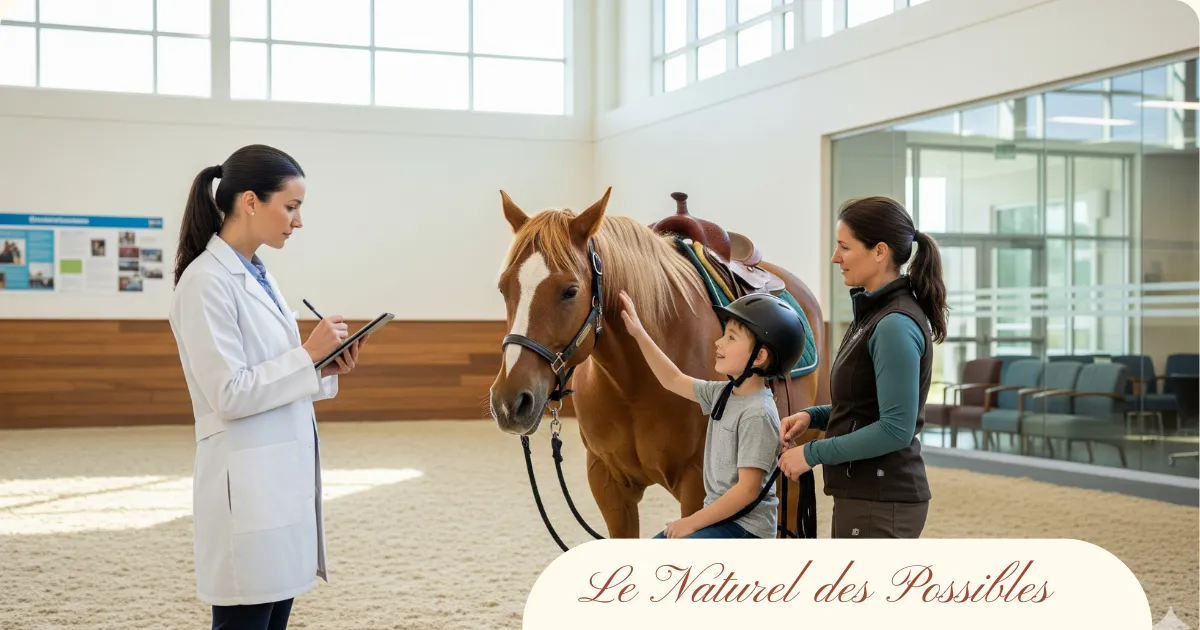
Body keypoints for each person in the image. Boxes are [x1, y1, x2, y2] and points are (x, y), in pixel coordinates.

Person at [168, 144, 367, 629]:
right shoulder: (205, 282)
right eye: (292, 207)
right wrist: (307, 356)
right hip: (246, 482)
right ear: (251, 202)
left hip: (278, 476)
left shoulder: (259, 275)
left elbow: (271, 372)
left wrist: (322, 370)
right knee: (245, 620)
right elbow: (230, 393)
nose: (298, 221)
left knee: (273, 615)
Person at [777, 195, 948, 539]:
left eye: (845, 247)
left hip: (882, 499)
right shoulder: (873, 315)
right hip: (866, 493)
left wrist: (812, 453)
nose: (835, 258)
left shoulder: (893, 325)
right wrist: (815, 416)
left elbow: (895, 428)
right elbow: (864, 404)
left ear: (880, 251)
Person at [619, 289, 808, 539]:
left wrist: (692, 522)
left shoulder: (758, 413)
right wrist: (639, 334)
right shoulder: (724, 393)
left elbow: (748, 490)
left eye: (731, 337)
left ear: (759, 356)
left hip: (746, 530)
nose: (718, 342)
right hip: (722, 518)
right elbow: (672, 379)